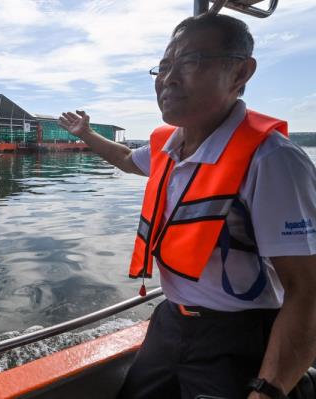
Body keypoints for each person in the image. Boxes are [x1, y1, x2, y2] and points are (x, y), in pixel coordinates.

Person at [58, 13, 316, 399]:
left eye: (190, 61)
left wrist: (268, 390)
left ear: (240, 73)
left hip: (238, 335)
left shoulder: (272, 160)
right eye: (163, 67)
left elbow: (308, 290)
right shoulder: (169, 145)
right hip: (170, 323)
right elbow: (129, 160)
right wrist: (87, 134)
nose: (169, 78)